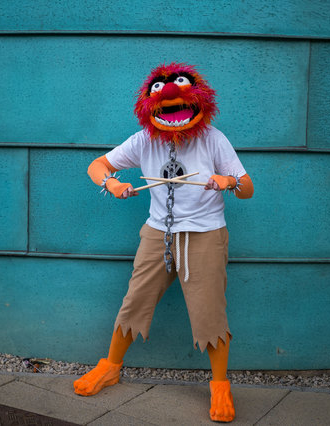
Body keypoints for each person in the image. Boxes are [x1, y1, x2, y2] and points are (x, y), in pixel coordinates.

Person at [74, 62, 254, 423]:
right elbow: (98, 165)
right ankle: (110, 366)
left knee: (209, 312)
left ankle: (220, 385)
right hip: (158, 233)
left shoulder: (214, 139)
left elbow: (248, 189)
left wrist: (228, 182)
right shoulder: (143, 139)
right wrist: (111, 184)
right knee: (134, 301)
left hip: (205, 235)